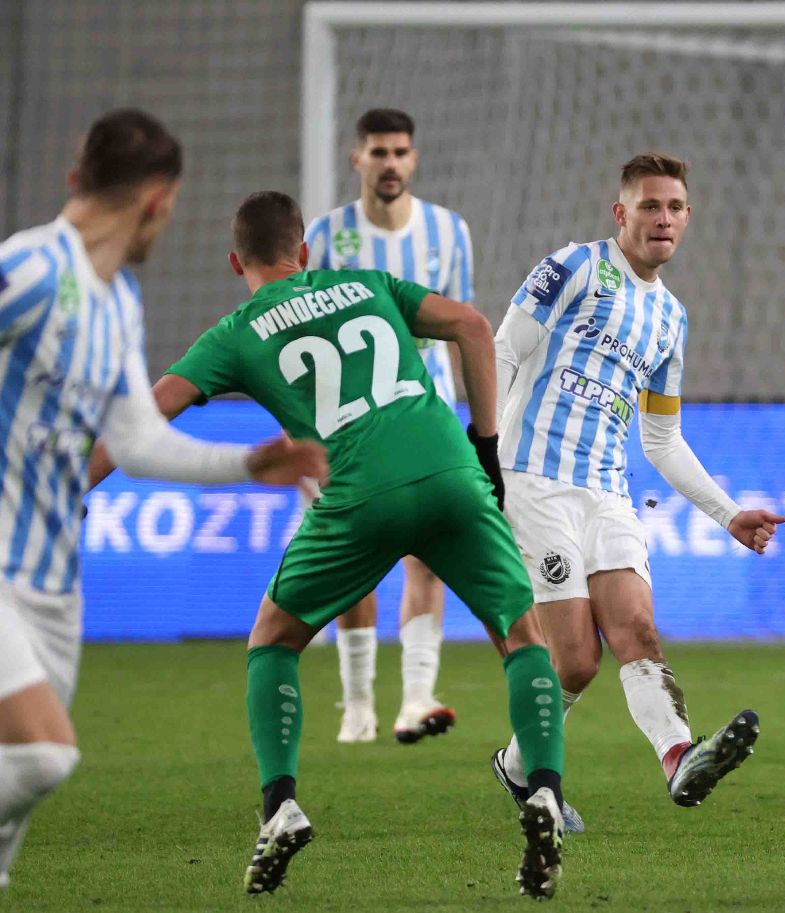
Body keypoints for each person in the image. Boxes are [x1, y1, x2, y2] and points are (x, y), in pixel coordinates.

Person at [88, 191, 567, 899]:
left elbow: (141, 421)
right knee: (522, 633)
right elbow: (471, 324)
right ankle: (546, 789)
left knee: (273, 640)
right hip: (449, 470)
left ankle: (280, 805)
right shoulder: (368, 284)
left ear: (236, 263)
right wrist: (487, 443)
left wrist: (70, 486)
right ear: (305, 252)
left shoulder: (235, 333)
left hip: (359, 494)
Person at [0, 111, 327, 891]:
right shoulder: (30, 267)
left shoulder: (117, 300)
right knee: (44, 754)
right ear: (159, 201)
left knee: (12, 825)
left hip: (52, 583)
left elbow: (138, 440)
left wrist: (247, 462)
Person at [489, 153, 785, 829]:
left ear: (688, 217)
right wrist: (484, 456)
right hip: (533, 481)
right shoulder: (574, 267)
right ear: (621, 213)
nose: (663, 219)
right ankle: (518, 766)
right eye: (650, 206)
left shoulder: (671, 319)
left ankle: (679, 757)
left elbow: (662, 439)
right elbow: (503, 350)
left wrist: (729, 514)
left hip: (607, 493)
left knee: (640, 630)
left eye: (675, 208)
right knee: (576, 662)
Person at [304, 108, 474, 744]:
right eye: (379, 152)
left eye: (401, 152)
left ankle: (417, 698)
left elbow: (462, 325)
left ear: (414, 158)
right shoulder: (324, 237)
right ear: (358, 159)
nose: (391, 163)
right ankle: (356, 705)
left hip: (429, 416)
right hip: (349, 423)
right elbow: (305, 332)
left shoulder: (449, 232)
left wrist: (475, 422)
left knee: (427, 558)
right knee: (353, 562)